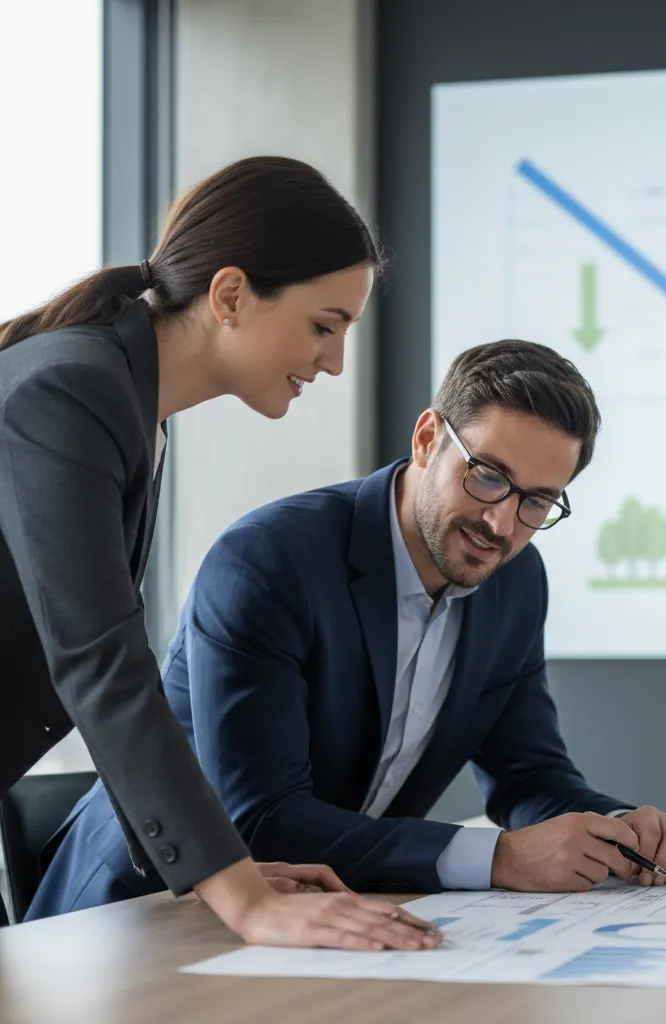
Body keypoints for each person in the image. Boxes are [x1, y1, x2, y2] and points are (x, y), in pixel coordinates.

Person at [30, 340, 666, 919]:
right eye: (490, 477)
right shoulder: (271, 561)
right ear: (427, 439)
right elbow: (261, 820)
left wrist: (617, 832)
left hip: (312, 913)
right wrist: (497, 857)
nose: (502, 524)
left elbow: (529, 774)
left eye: (536, 502)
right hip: (139, 913)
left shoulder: (516, 584)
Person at [0, 156, 439, 949]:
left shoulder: (130, 403)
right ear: (231, 295)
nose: (334, 362)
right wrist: (244, 898)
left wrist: (228, 869)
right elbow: (102, 663)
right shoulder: (70, 390)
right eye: (324, 325)